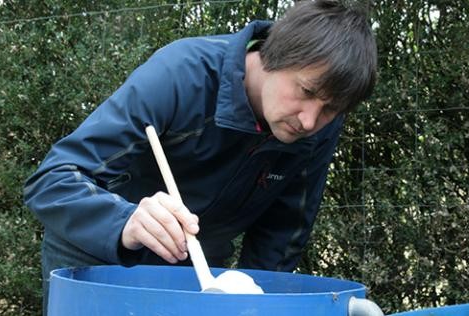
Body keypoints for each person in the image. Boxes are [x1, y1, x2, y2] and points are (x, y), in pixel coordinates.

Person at [24, 0, 376, 312]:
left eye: (330, 109)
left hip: (199, 270)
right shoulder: (181, 74)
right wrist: (125, 221)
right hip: (97, 259)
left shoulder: (317, 125)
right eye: (306, 91)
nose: (310, 120)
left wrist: (261, 305)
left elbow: (282, 236)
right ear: (276, 55)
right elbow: (53, 180)